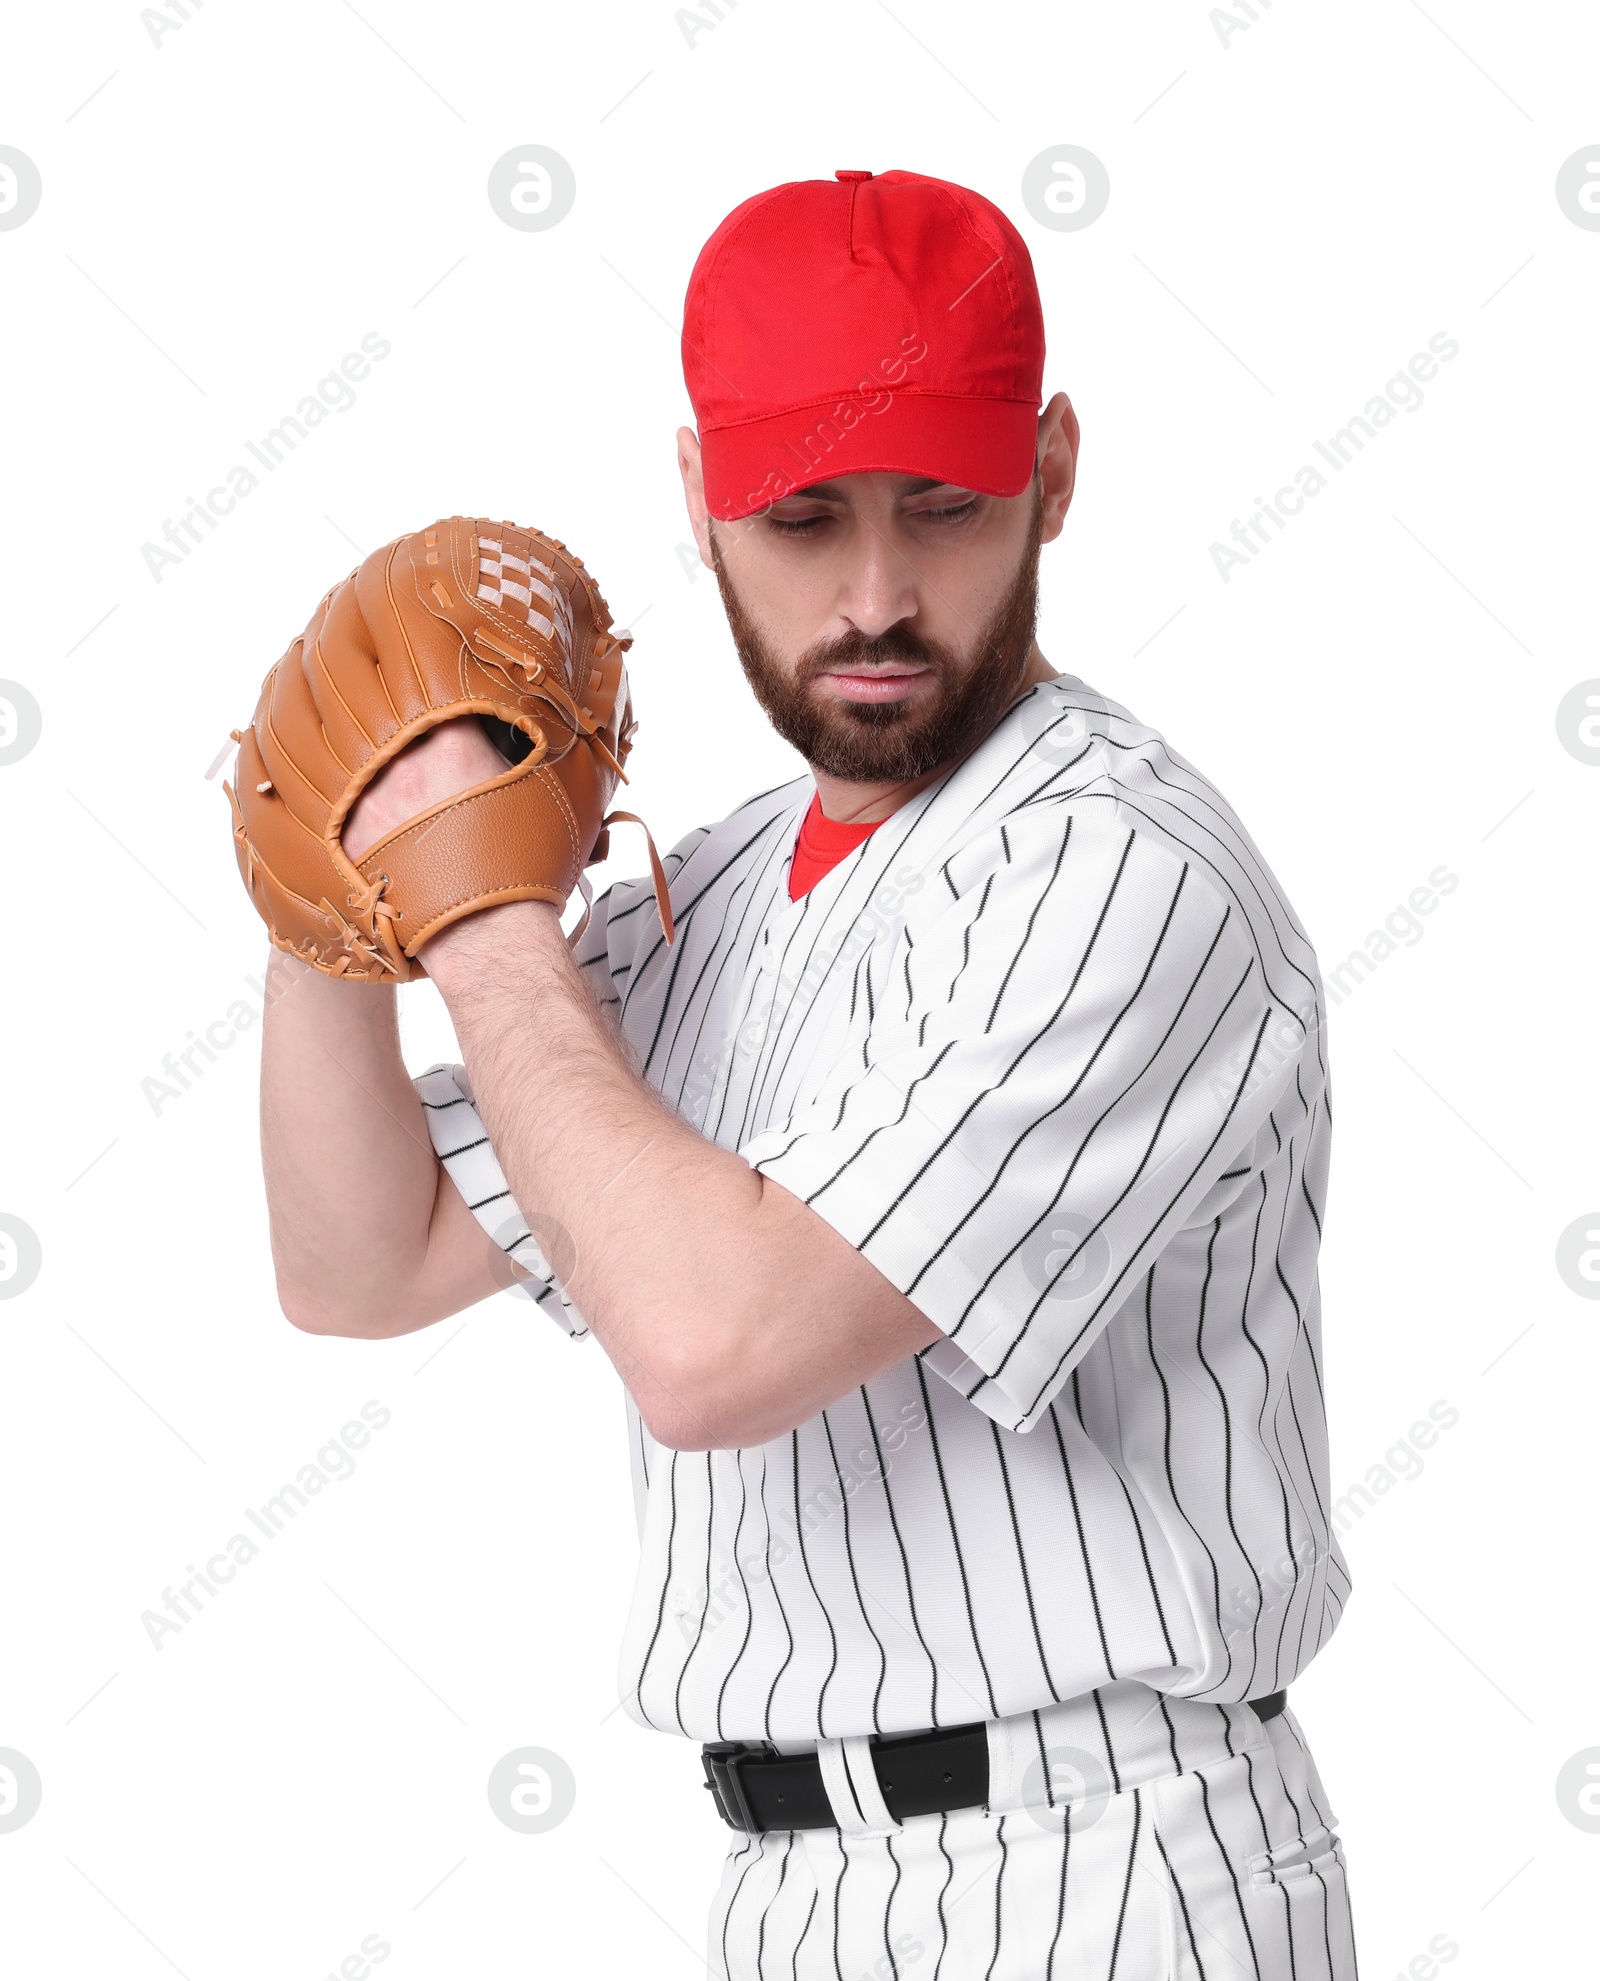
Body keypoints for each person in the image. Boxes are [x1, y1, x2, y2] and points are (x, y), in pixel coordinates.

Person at [262, 168, 1357, 1979]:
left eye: (943, 507)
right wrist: (334, 885)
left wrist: (476, 906)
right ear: (698, 501)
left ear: (1055, 470)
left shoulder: (1119, 874)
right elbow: (356, 1263)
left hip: (1105, 1869)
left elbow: (711, 1349)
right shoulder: (710, 898)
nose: (876, 596)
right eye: (801, 520)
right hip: (788, 1885)